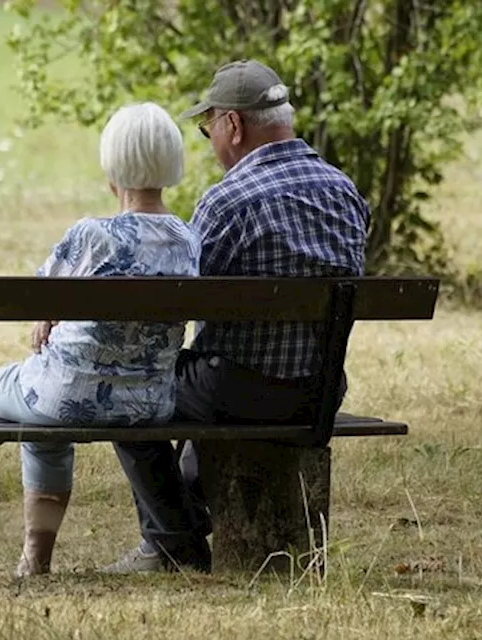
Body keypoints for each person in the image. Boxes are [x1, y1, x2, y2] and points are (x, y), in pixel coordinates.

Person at [102, 59, 370, 574]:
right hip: (319, 393)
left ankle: (173, 544)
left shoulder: (228, 201)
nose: (210, 142)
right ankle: (188, 520)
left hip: (239, 392)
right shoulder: (345, 192)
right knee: (205, 373)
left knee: (128, 386)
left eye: (208, 130)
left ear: (233, 125)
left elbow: (180, 302)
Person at [0, 102, 200, 580]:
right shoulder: (188, 239)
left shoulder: (92, 235)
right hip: (149, 404)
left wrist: (47, 317)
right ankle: (34, 562)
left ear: (112, 166)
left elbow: (40, 297)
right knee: (43, 423)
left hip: (66, 396)